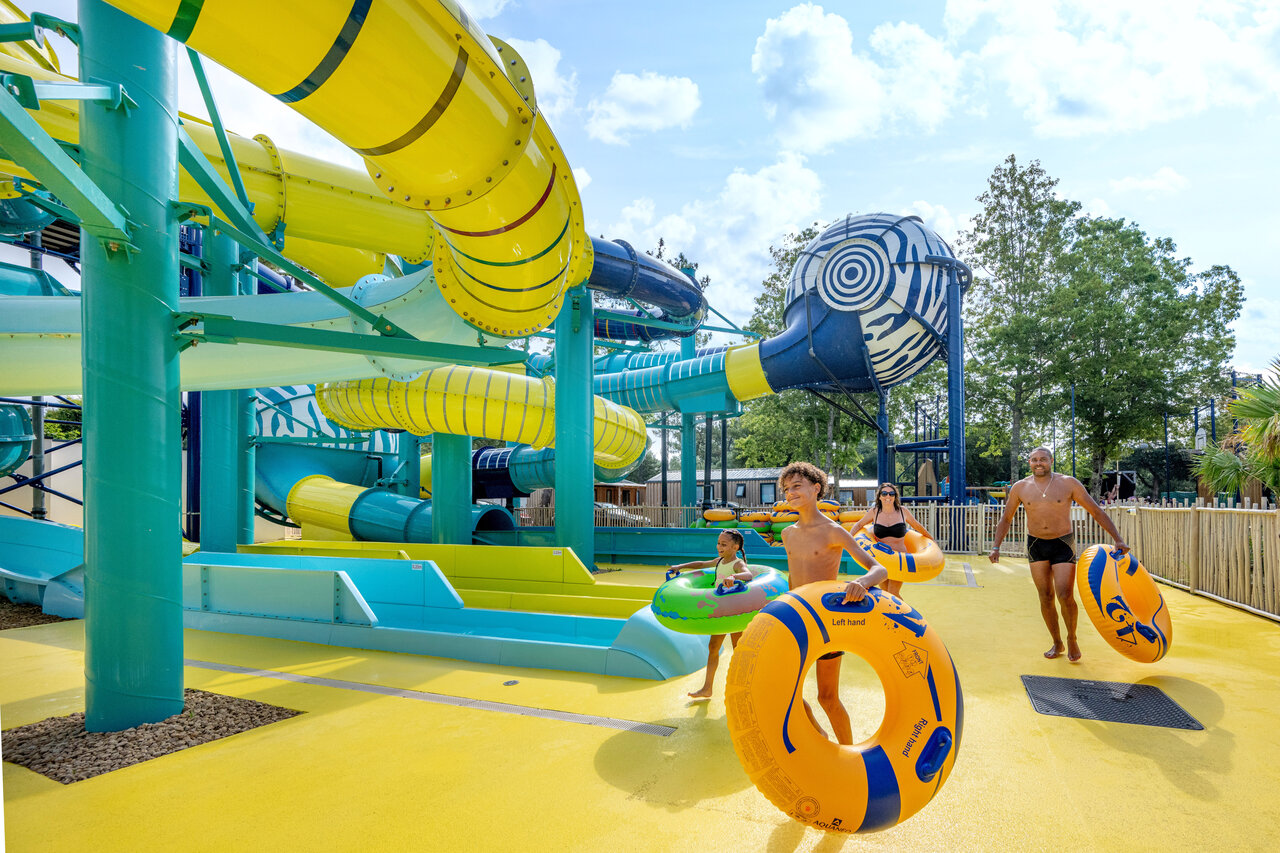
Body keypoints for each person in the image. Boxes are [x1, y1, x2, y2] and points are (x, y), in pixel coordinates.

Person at [777, 462, 888, 745]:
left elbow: (879, 570)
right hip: (797, 621)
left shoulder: (833, 531)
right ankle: (819, 733)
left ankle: (849, 754)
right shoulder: (787, 533)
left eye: (797, 486)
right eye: (787, 489)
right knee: (786, 692)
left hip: (826, 624)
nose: (790, 493)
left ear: (816, 489)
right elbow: (793, 577)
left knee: (827, 697)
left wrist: (861, 583)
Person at [988, 447, 1130, 662]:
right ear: (1029, 462)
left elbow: (1096, 511)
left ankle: (1072, 637)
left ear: (1051, 461)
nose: (1038, 463)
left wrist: (1118, 539)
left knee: (1065, 594)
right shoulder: (1020, 487)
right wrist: (996, 546)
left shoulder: (1068, 483)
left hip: (1062, 542)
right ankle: (1057, 642)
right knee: (1045, 597)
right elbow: (1006, 518)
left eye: (1043, 459)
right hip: (1035, 543)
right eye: (1034, 460)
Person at [669, 530, 755, 699]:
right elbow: (701, 564)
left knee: (739, 650)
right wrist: (680, 566)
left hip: (735, 612)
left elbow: (748, 574)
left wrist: (733, 576)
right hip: (721, 612)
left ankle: (745, 688)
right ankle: (707, 688)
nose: (719, 547)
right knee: (713, 648)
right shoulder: (719, 561)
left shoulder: (737, 564)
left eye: (724, 544)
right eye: (718, 543)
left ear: (735, 547)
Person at [846, 482, 935, 598]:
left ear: (895, 496)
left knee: (893, 592)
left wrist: (931, 540)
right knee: (886, 593)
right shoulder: (875, 512)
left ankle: (904, 614)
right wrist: (847, 539)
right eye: (884, 493)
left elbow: (917, 526)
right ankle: (895, 614)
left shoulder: (903, 511)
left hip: (899, 559)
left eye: (891, 494)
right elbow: (858, 525)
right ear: (879, 496)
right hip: (881, 559)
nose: (888, 497)